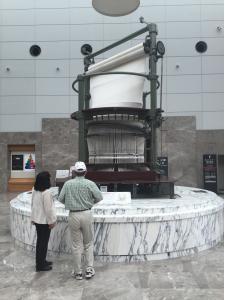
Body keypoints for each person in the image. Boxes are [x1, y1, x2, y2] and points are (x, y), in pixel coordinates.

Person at [58, 161, 103, 280]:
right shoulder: (90, 183)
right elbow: (99, 197)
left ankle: (78, 272)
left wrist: (70, 203)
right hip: (86, 213)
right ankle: (89, 269)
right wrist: (89, 203)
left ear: (74, 172)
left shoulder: (68, 184)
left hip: (73, 215)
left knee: (76, 245)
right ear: (85, 172)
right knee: (88, 243)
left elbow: (60, 198)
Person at [31, 171, 57, 272]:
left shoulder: (34, 190)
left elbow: (32, 205)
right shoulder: (46, 192)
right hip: (45, 222)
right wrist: (52, 221)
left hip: (37, 220)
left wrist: (33, 218)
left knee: (40, 243)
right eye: (48, 179)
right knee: (43, 243)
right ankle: (40, 265)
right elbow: (49, 209)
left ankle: (42, 261)